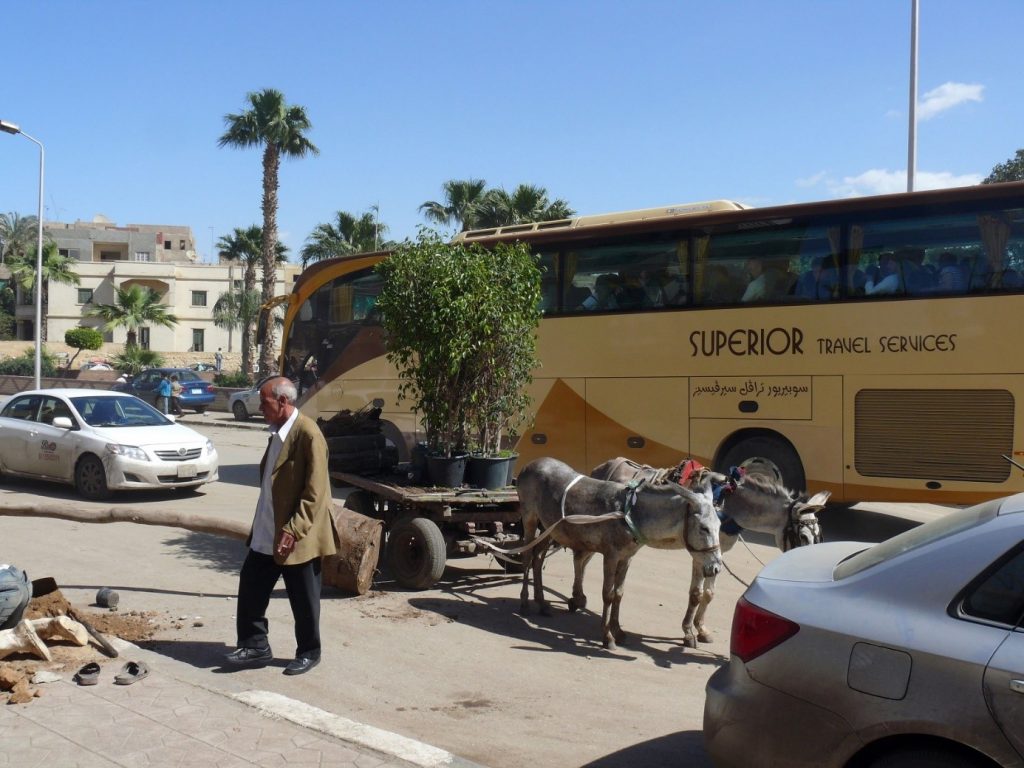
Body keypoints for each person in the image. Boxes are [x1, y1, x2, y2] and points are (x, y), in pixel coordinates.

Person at [225, 377, 340, 676]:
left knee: (303, 597)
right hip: (267, 528)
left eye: (264, 403)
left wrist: (293, 529)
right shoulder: (275, 433)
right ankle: (255, 645)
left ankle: (309, 651)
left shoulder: (308, 435)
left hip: (297, 534)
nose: (260, 408)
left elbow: (316, 494)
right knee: (251, 585)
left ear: (283, 402)